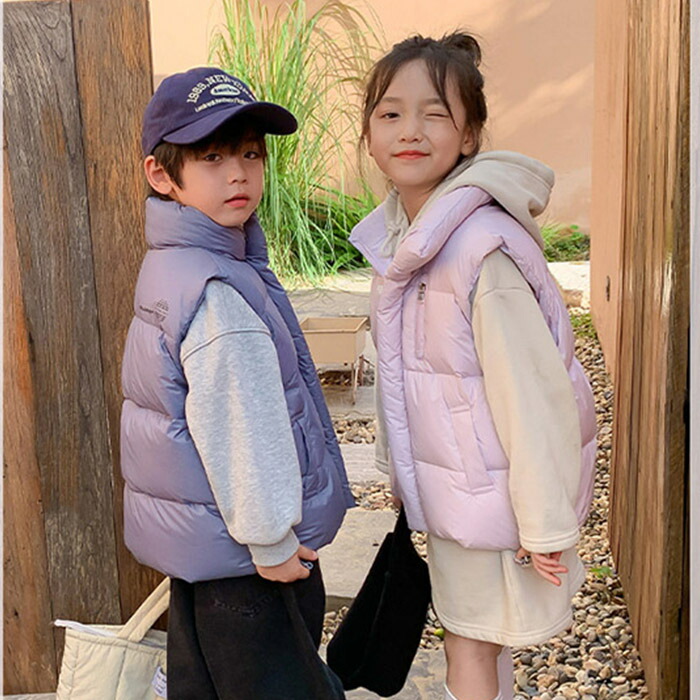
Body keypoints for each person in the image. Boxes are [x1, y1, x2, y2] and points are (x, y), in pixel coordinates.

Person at [350, 34, 596, 700]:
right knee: (479, 639)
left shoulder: (478, 252)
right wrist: (404, 472)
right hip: (461, 488)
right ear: (369, 135)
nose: (410, 130)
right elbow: (406, 375)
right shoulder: (406, 241)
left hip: (491, 493)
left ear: (468, 135)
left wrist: (545, 520)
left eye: (434, 114)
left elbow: (534, 396)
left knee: (468, 642)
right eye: (391, 113)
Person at [120, 66, 354, 699]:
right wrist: (272, 539)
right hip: (251, 565)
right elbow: (241, 425)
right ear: (162, 174)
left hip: (207, 557)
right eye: (213, 157)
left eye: (251, 154)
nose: (239, 175)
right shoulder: (218, 290)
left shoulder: (179, 264)